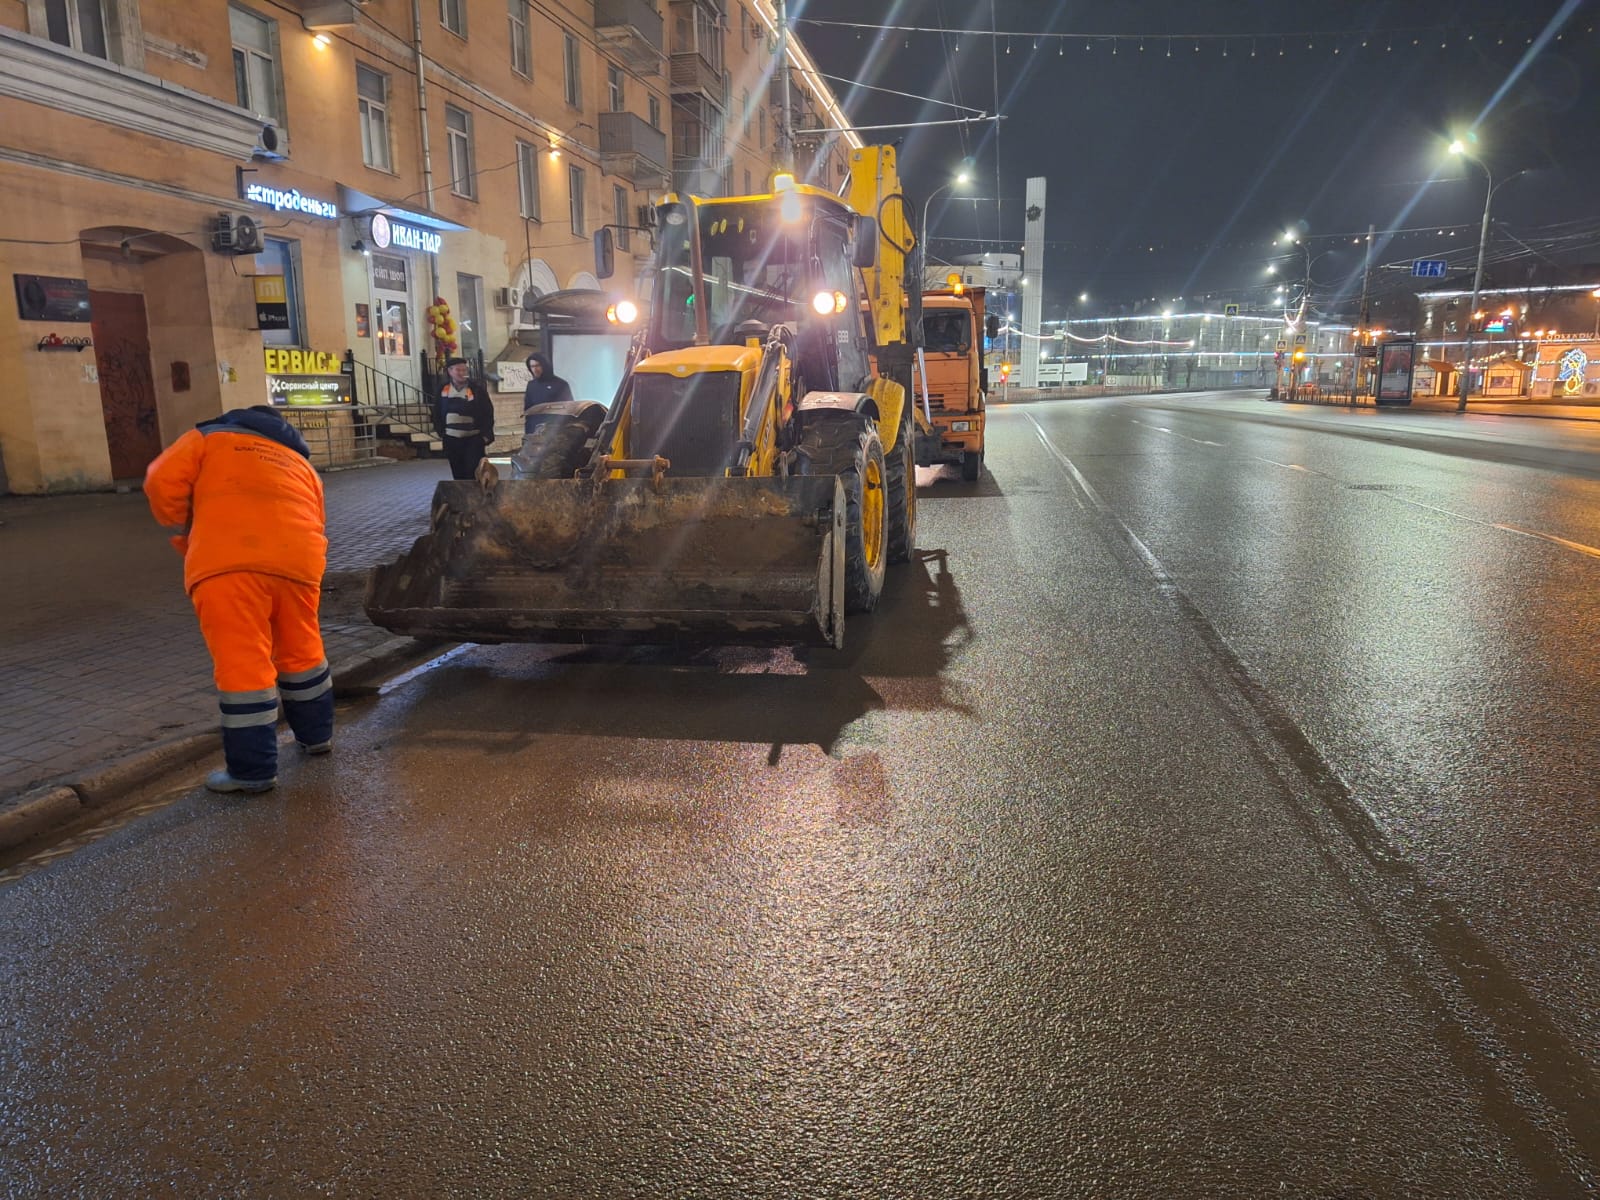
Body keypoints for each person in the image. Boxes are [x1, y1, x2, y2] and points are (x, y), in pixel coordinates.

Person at [143, 405, 333, 794]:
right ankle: (317, 738)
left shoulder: (208, 438)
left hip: (228, 562)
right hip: (299, 560)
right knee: (302, 650)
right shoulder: (300, 462)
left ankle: (253, 771)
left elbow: (159, 480)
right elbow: (317, 517)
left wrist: (185, 533)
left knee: (243, 665)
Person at [435, 356, 496, 479]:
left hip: (473, 439)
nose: (462, 373)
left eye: (464, 370)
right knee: (458, 473)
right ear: (450, 371)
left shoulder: (476, 389)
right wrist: (441, 432)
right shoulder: (443, 389)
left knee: (474, 473)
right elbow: (436, 412)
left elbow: (488, 412)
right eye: (458, 370)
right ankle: (462, 497)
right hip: (452, 439)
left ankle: (477, 497)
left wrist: (484, 436)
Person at [521, 352, 574, 433]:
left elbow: (568, 409)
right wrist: (528, 432)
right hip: (534, 430)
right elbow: (528, 410)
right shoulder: (531, 385)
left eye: (537, 365)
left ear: (544, 366)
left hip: (555, 431)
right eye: (532, 366)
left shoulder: (560, 384)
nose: (535, 369)